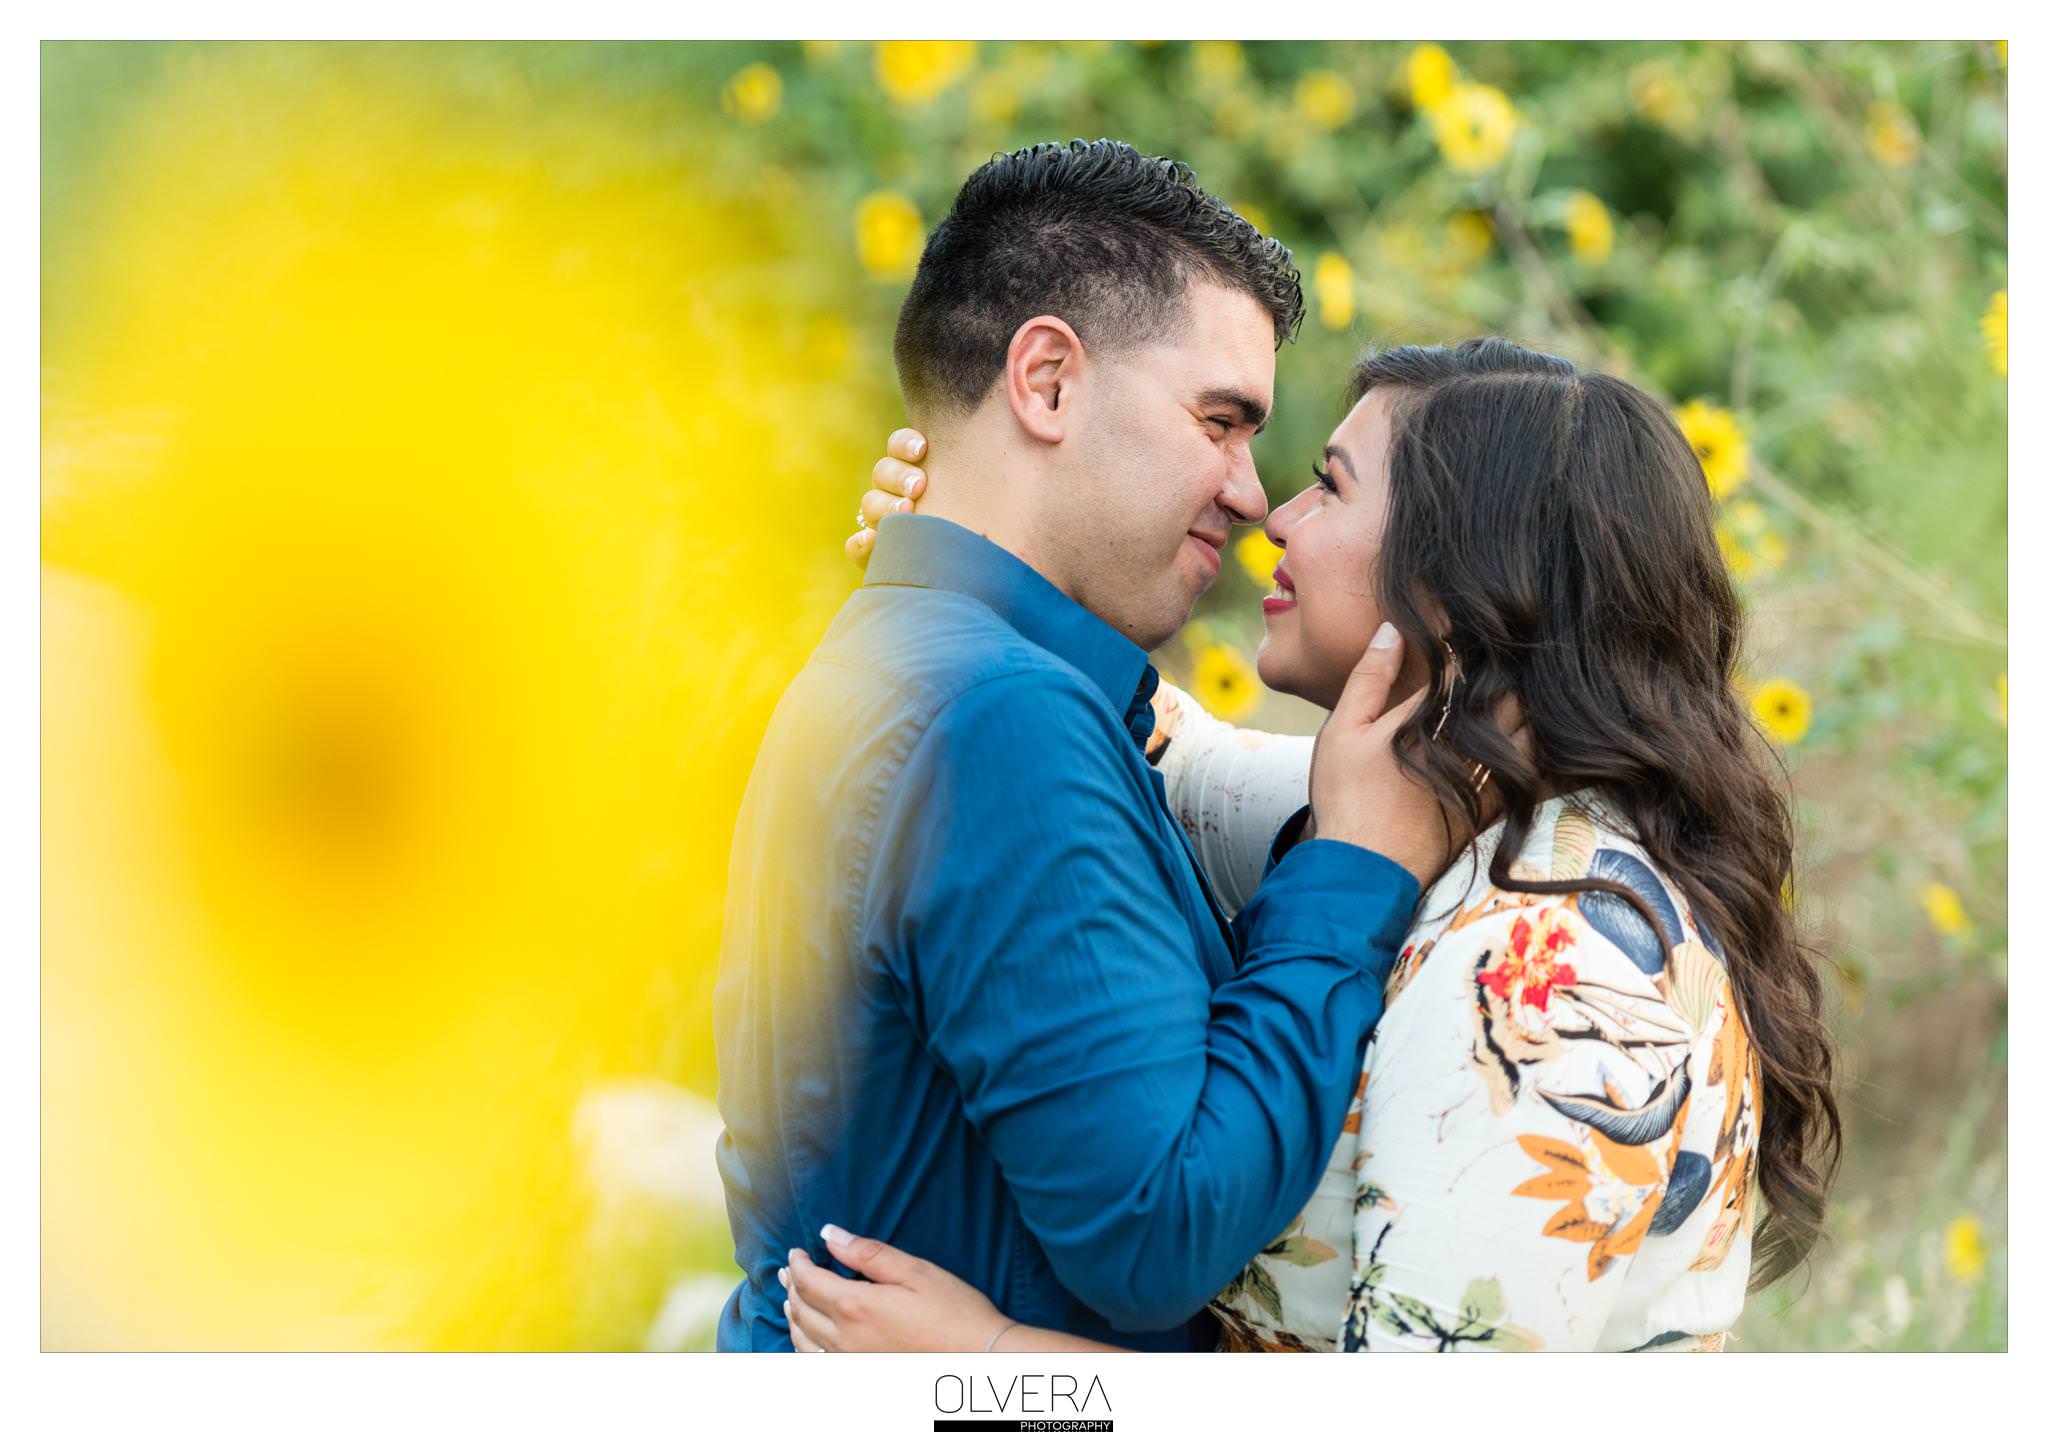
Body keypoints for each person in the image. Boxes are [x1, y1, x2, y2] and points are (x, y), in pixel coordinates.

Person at [784, 338, 1840, 1352]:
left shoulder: (1548, 973)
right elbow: (1169, 763)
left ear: (1457, 579)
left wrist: (997, 1362)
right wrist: (975, 549)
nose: (1272, 516)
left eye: (1329, 487)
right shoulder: (1448, 820)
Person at [712, 140, 1473, 1353]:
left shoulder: (913, 656)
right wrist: (1353, 876)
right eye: (1219, 423)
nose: (1249, 492)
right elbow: (1153, 1231)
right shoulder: (995, 716)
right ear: (1048, 382)